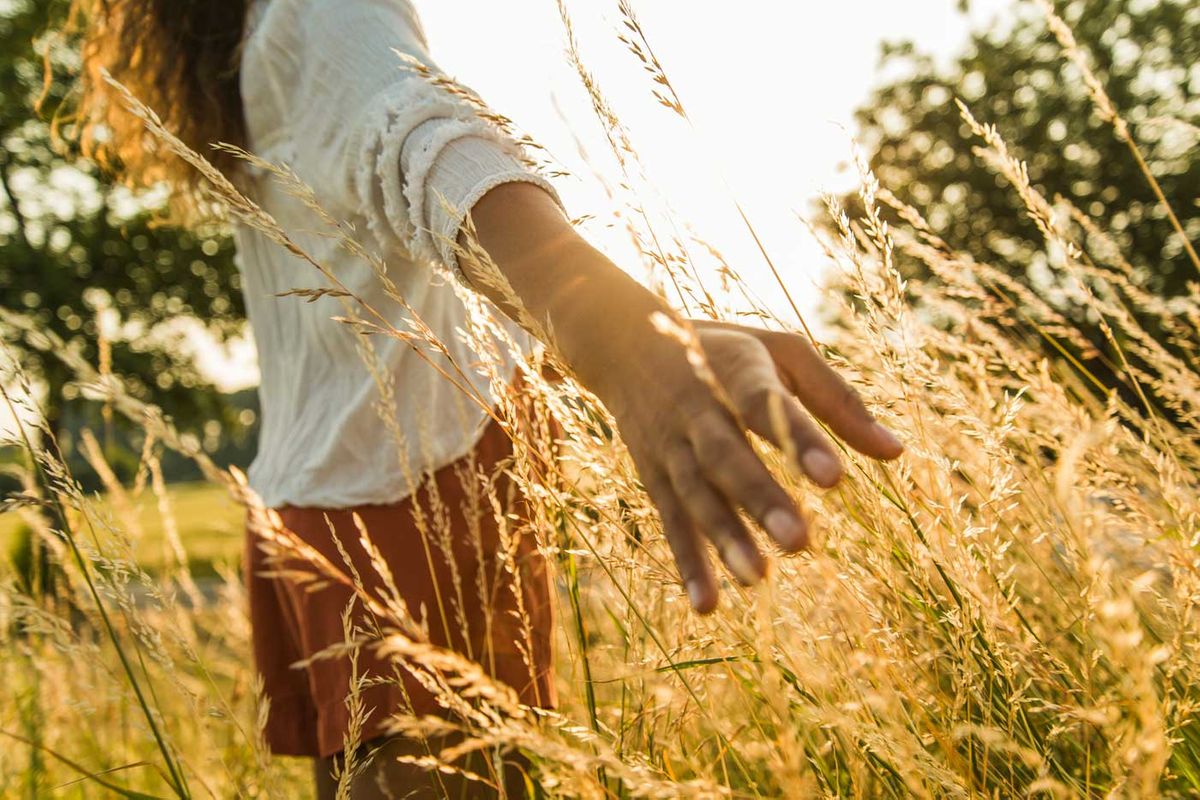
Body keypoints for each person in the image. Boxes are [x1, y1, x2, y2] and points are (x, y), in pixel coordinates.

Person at [67, 0, 903, 796]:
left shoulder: (253, 36)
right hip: (411, 494)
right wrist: (611, 334)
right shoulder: (319, 12)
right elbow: (421, 139)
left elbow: (400, 163)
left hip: (313, 496)